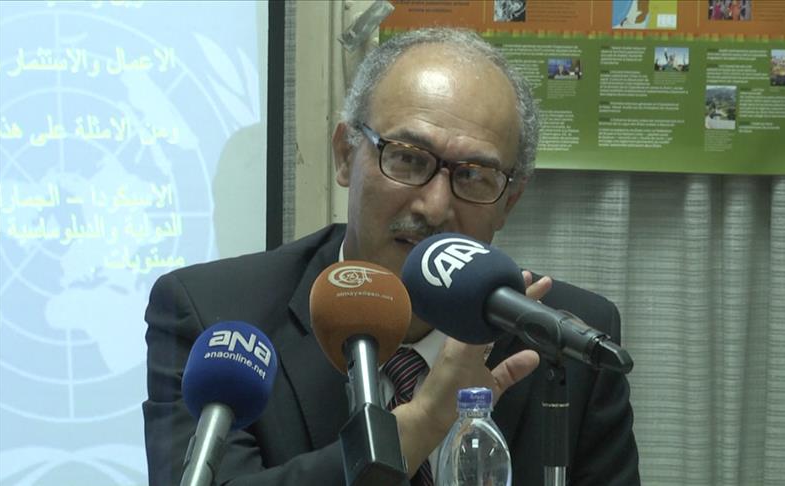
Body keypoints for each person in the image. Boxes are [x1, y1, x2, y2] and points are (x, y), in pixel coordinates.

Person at [143, 27, 640, 485]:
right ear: (345, 155)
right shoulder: (213, 317)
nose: (435, 207)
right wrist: (420, 424)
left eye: (473, 176)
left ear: (509, 201)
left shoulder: (565, 343)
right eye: (407, 158)